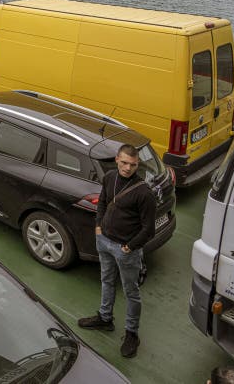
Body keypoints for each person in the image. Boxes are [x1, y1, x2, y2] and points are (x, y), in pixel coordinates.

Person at [77, 144, 155, 359]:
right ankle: (105, 318)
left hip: (125, 250)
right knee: (106, 280)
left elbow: (149, 229)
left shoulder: (143, 192)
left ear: (137, 164)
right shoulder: (110, 177)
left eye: (132, 164)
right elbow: (102, 202)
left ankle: (132, 334)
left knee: (131, 292)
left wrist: (129, 246)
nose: (128, 168)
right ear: (117, 160)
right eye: (124, 163)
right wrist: (98, 226)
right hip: (104, 241)